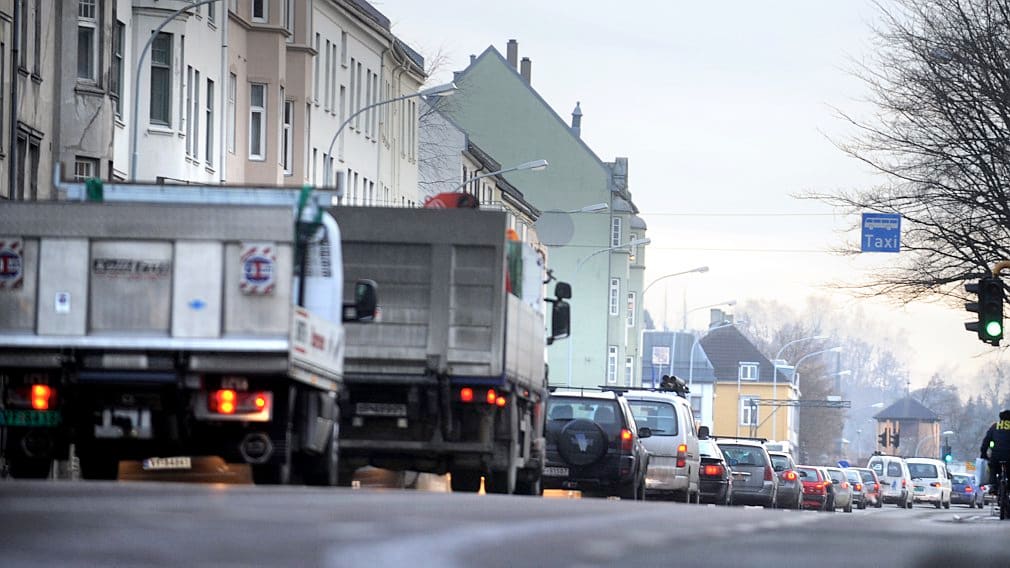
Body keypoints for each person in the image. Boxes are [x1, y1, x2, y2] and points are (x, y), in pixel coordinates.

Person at [980, 409, 1010, 493]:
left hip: (996, 456)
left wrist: (983, 453)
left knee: (993, 467)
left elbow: (986, 441)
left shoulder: (995, 426)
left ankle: (993, 486)